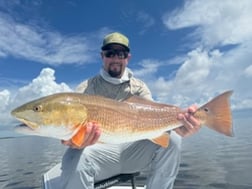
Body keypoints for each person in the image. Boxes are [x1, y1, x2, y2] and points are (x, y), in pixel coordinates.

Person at [43, 32, 201, 189]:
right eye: (110, 53)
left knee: (173, 138)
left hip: (133, 151)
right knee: (72, 156)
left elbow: (154, 117)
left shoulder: (139, 87)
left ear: (128, 58)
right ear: (102, 56)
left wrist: (181, 124)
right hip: (99, 154)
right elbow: (67, 131)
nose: (115, 58)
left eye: (121, 54)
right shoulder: (85, 88)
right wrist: (70, 141)